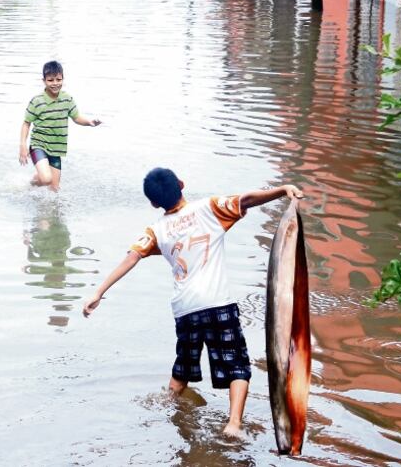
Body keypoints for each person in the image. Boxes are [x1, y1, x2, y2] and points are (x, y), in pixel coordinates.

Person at [82, 168, 304, 437]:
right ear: (181, 184)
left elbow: (131, 257)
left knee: (183, 368)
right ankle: (233, 424)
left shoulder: (157, 230)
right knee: (237, 366)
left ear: (153, 202)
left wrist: (98, 292)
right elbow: (246, 200)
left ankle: (169, 404)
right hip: (217, 302)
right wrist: (282, 190)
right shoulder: (209, 208)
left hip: (185, 310)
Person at [19, 60, 101, 192]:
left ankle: (48, 210)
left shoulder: (67, 99)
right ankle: (29, 184)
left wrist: (89, 123)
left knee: (54, 189)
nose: (55, 83)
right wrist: (23, 146)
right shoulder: (37, 101)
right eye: (50, 80)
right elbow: (26, 123)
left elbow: (76, 117)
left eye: (58, 79)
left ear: (63, 79)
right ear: (44, 81)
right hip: (38, 145)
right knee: (46, 179)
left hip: (56, 149)